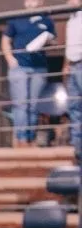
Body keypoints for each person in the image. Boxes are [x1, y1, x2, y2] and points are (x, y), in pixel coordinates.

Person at [3, 0, 55, 147]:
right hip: (19, 67)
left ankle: (30, 138)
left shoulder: (47, 20)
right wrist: (9, 58)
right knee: (21, 104)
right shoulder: (16, 18)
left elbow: (53, 40)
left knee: (33, 105)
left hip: (39, 68)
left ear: (41, 2)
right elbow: (5, 40)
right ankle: (21, 139)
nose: (31, 2)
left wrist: (46, 41)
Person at [65, 0, 82, 148]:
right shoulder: (70, 20)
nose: (70, 1)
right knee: (74, 106)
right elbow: (69, 45)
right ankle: (77, 146)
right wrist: (66, 65)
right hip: (72, 65)